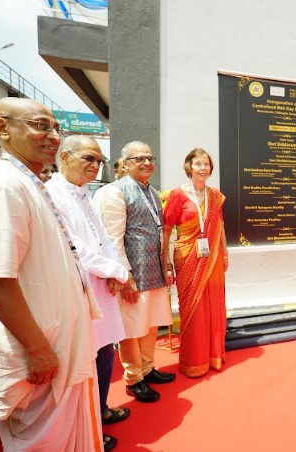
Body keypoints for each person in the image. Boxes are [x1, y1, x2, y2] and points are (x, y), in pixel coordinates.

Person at [0, 97, 103, 449]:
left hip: (59, 342)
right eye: (41, 125)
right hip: (42, 350)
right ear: (2, 128)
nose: (53, 135)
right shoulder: (4, 185)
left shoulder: (28, 180)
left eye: (56, 127)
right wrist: (38, 348)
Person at [46, 135, 132, 451]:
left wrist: (116, 269)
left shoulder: (83, 194)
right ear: (64, 156)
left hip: (101, 287)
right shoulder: (52, 194)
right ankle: (87, 426)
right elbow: (75, 248)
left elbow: (104, 239)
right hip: (78, 289)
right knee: (84, 359)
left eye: (99, 161)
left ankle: (101, 409)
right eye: (89, 158)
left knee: (105, 350)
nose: (95, 166)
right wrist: (115, 271)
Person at [94, 141, 175, 403]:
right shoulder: (114, 192)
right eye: (139, 158)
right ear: (125, 163)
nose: (147, 163)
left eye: (150, 158)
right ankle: (133, 378)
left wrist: (167, 264)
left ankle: (148, 368)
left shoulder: (151, 192)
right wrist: (124, 277)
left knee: (151, 323)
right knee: (131, 328)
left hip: (155, 272)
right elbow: (112, 239)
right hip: (133, 275)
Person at [163, 148, 228, 377]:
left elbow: (219, 227)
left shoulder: (214, 196)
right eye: (198, 164)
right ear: (189, 166)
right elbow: (167, 229)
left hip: (213, 258)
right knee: (192, 308)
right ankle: (193, 361)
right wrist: (165, 260)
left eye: (206, 164)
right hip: (186, 257)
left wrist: (226, 253)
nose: (203, 168)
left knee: (213, 305)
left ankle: (213, 355)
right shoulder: (177, 195)